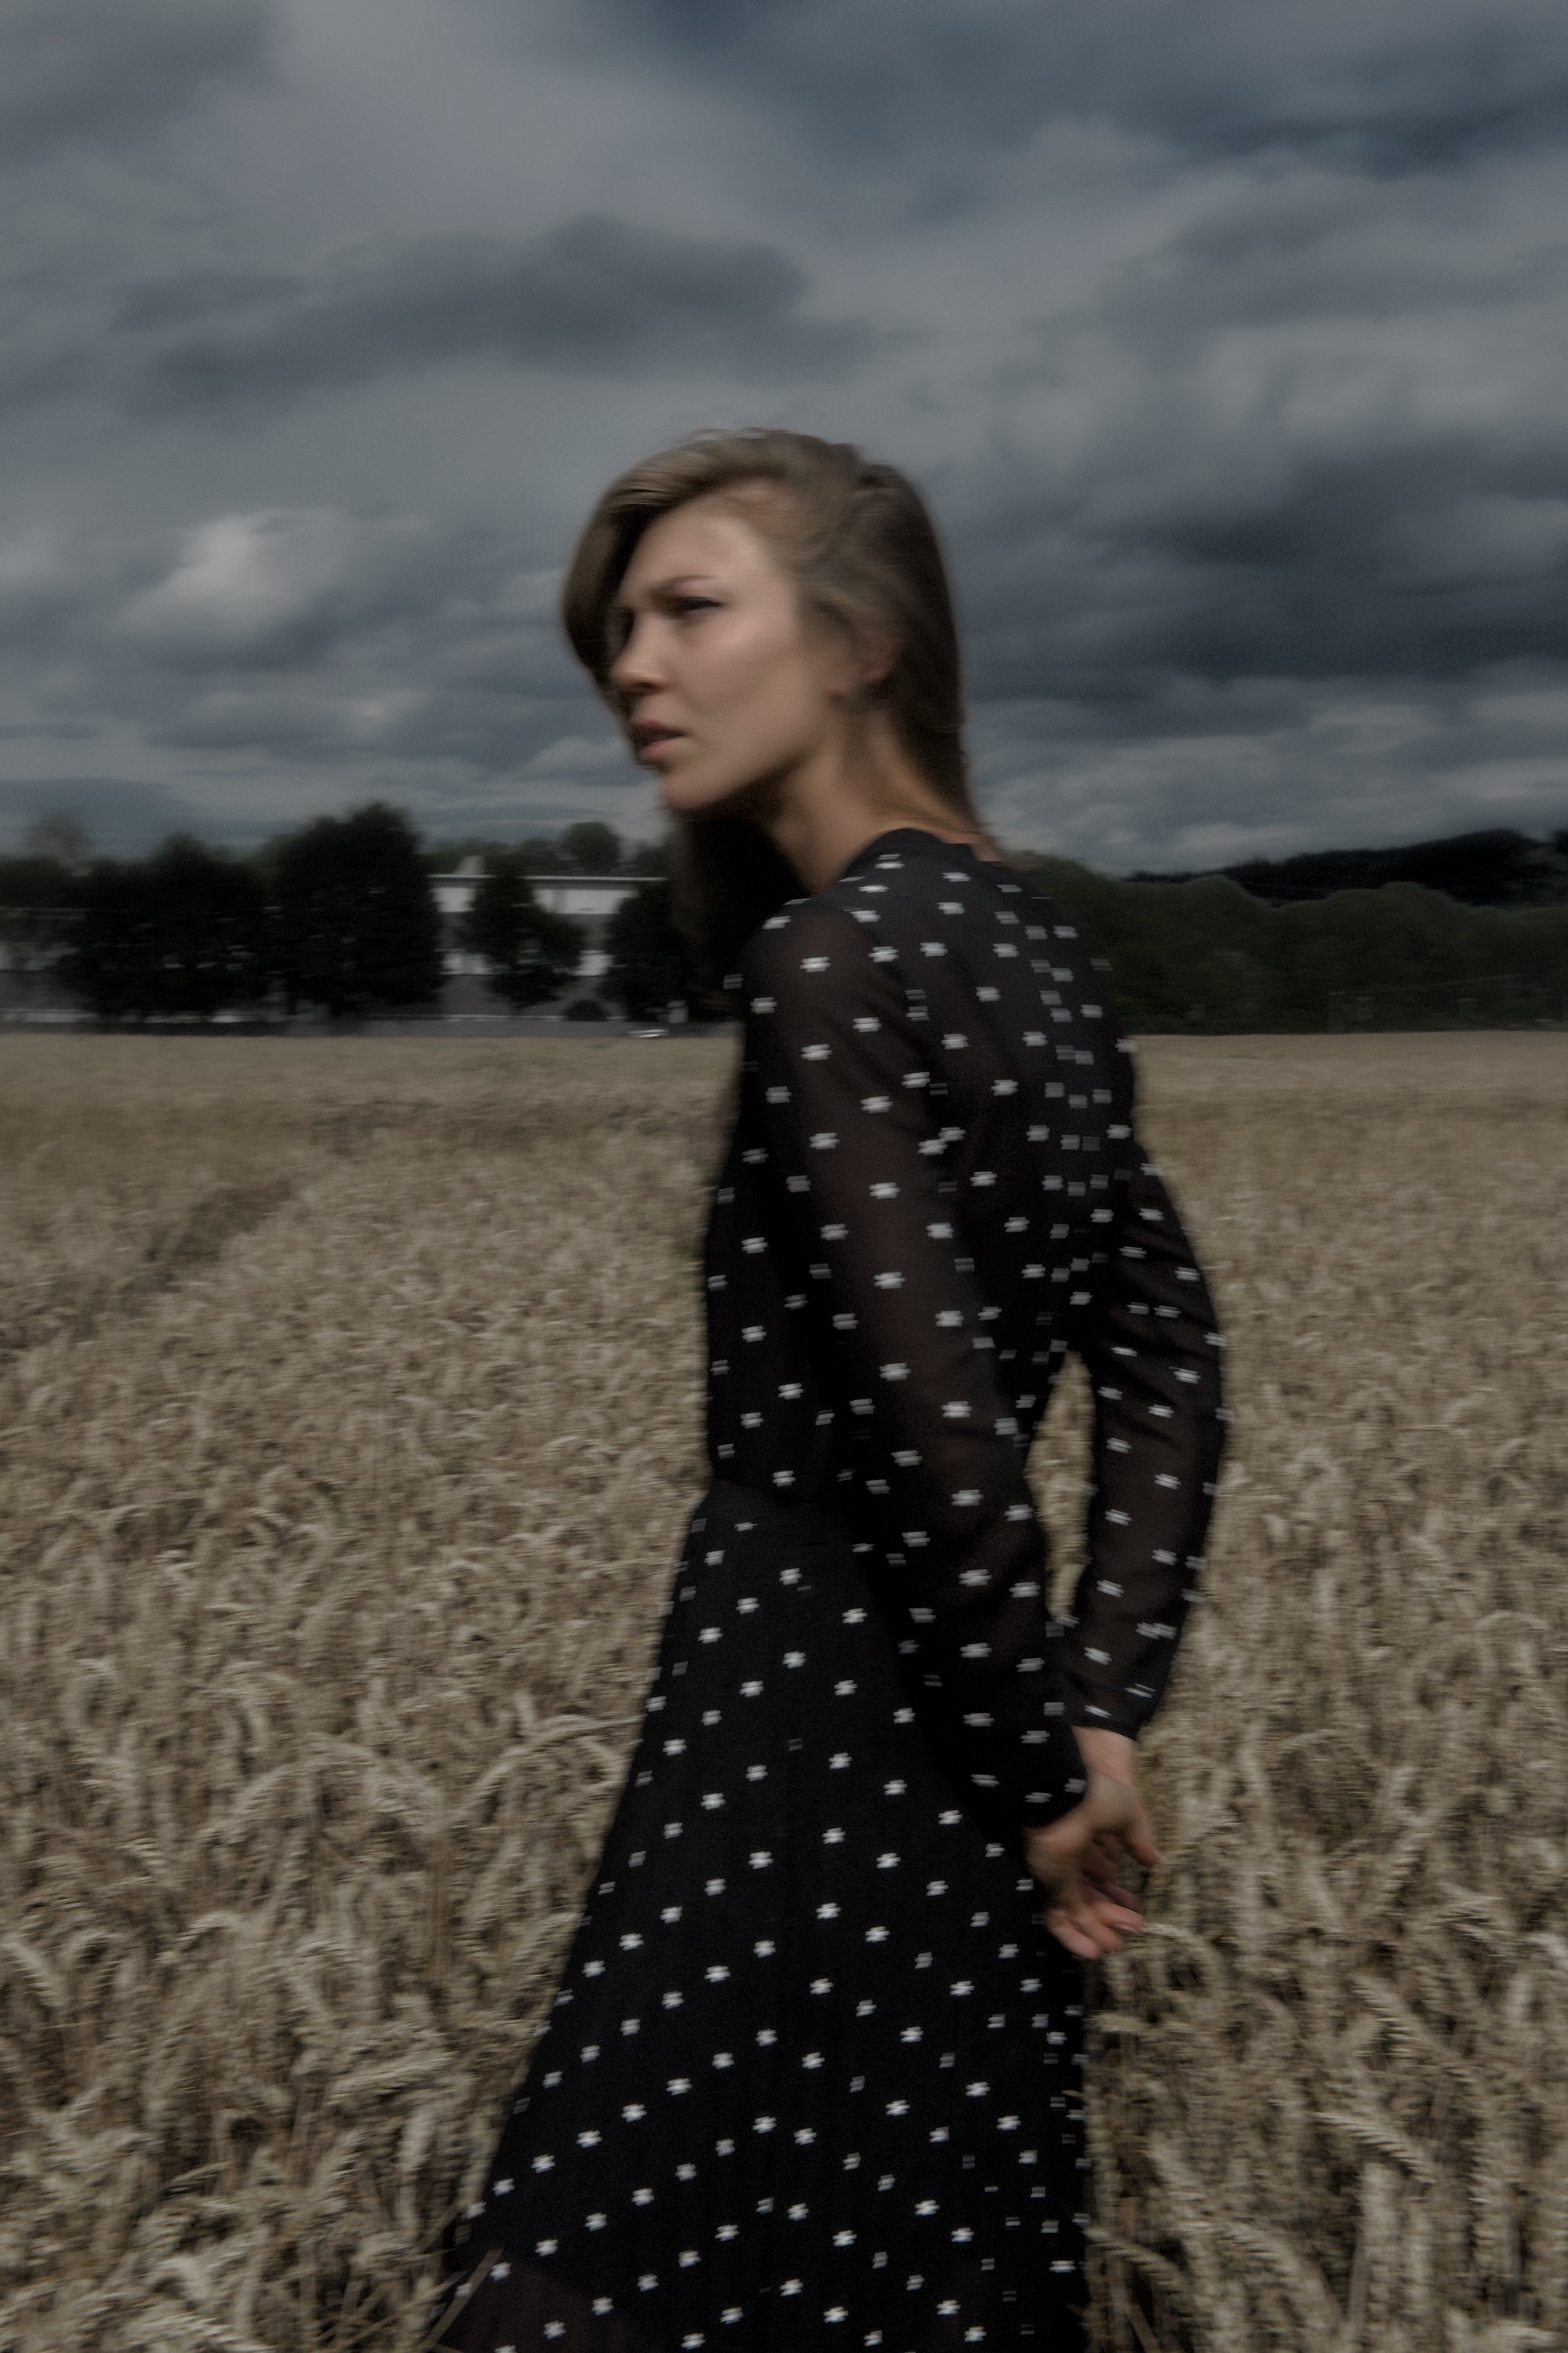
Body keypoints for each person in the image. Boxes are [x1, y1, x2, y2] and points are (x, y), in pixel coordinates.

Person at [428, 430, 1226, 2352]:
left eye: (691, 609)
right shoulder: (1031, 945)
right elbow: (1171, 1365)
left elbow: (938, 1434)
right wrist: (1089, 1719)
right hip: (970, 1755)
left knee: (587, 2284)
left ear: (863, 640)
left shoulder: (827, 959)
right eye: (619, 630)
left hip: (795, 1729)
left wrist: (1049, 1766)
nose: (636, 664)